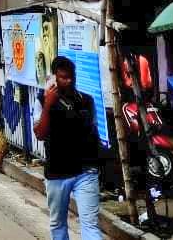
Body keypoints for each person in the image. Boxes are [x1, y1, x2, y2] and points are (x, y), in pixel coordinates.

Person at [34, 57, 101, 240]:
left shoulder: (86, 101)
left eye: (71, 77)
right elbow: (39, 133)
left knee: (90, 225)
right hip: (57, 172)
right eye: (63, 78)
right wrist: (49, 103)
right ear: (54, 79)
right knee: (58, 223)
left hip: (86, 170)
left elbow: (94, 130)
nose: (68, 81)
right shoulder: (42, 101)